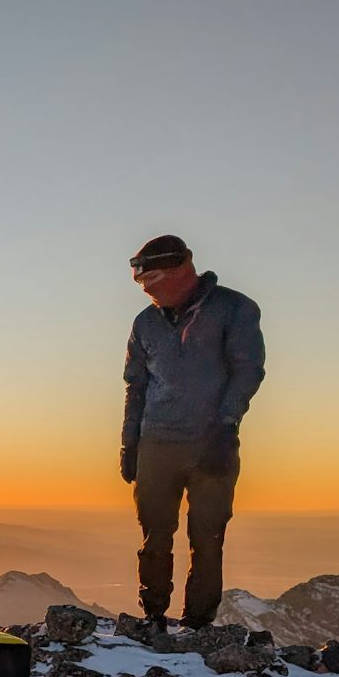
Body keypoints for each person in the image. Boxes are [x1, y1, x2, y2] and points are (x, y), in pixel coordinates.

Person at [119, 234, 265, 628]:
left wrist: (226, 425)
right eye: (142, 285)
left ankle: (198, 623)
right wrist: (129, 443)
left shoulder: (234, 309)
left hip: (211, 442)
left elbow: (247, 370)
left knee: (207, 537)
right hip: (156, 443)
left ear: (183, 270)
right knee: (154, 536)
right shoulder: (146, 322)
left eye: (153, 282)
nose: (147, 292)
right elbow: (136, 384)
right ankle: (152, 616)